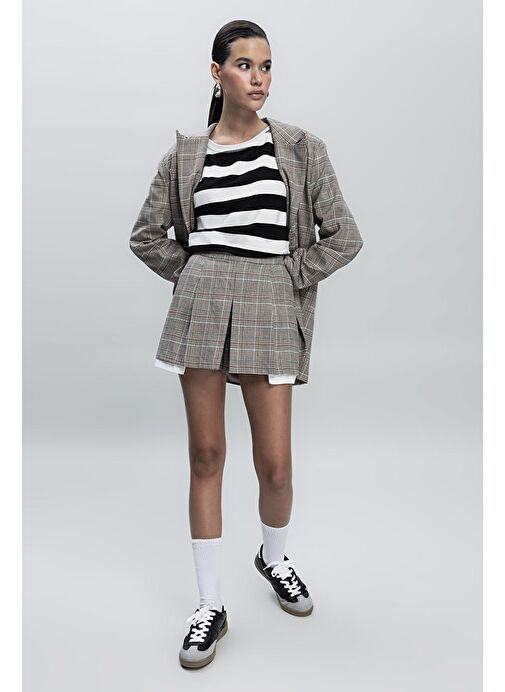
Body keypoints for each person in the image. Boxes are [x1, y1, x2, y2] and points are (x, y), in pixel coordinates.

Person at [129, 19, 364, 669]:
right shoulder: (184, 155)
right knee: (206, 455)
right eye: (243, 65)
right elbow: (146, 235)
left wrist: (289, 276)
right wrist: (195, 274)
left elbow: (343, 236)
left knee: (275, 465)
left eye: (265, 66)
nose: (257, 78)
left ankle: (274, 558)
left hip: (270, 304)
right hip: (202, 307)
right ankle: (210, 604)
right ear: (217, 73)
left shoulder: (300, 149)